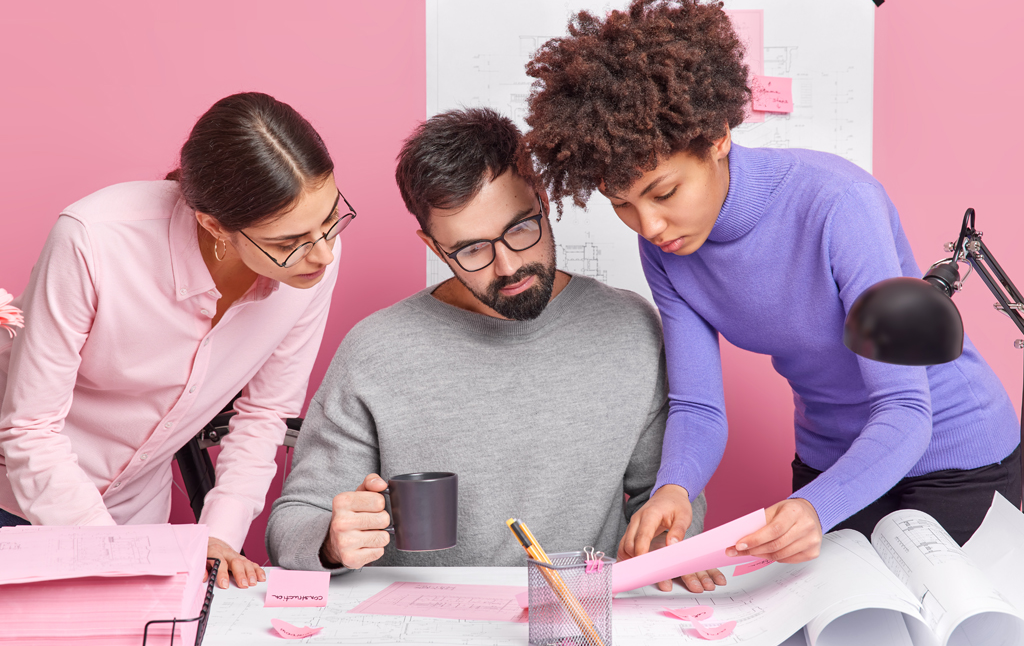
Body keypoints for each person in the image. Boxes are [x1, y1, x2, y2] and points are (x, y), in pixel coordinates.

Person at [521, 0, 1022, 579]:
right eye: (622, 205)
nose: (649, 226)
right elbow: (697, 405)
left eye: (664, 193)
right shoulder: (667, 249)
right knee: (816, 617)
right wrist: (673, 488)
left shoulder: (838, 203)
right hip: (830, 458)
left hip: (953, 453)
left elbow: (906, 406)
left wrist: (817, 506)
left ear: (717, 138)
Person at [267, 108, 708, 582]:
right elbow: (293, 521)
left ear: (542, 199)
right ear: (434, 247)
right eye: (472, 249)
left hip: (576, 614)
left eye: (520, 228)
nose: (507, 266)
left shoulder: (630, 329)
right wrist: (332, 543)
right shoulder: (375, 350)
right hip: (423, 616)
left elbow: (665, 495)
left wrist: (663, 546)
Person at [0, 92, 354, 590]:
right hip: (17, 504)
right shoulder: (94, 240)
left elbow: (264, 414)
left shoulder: (311, 262)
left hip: (137, 519)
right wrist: (114, 554)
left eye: (330, 220)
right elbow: (31, 428)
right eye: (286, 242)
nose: (321, 254)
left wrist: (215, 540)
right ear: (214, 225)